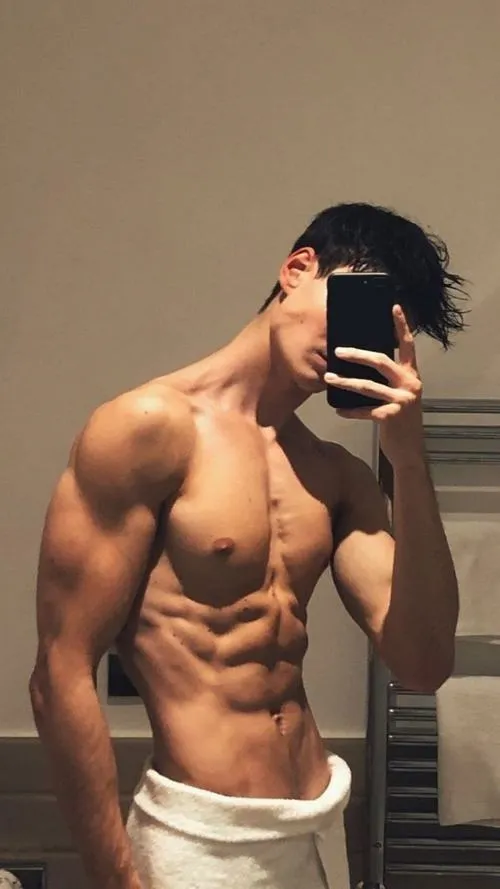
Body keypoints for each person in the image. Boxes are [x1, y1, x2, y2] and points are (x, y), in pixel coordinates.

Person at [29, 203, 467, 889]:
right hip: (202, 839)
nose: (356, 339)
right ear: (297, 269)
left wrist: (408, 459)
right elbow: (61, 672)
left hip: (318, 826)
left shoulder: (336, 476)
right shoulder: (149, 429)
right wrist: (117, 881)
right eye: (355, 304)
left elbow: (424, 661)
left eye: (384, 331)